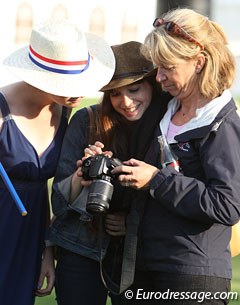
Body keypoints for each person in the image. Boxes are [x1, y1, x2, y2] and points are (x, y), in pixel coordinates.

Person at [110, 8, 240, 305]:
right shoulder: (164, 111)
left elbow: (227, 205)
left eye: (167, 67)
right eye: (158, 67)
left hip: (193, 275)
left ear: (199, 62)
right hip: (144, 267)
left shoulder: (223, 124)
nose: (159, 77)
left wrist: (156, 180)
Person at [0, 18, 115, 305]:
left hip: (29, 234)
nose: (78, 92)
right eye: (67, 83)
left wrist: (47, 251)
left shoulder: (63, 113)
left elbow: (44, 190)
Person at [49, 40, 172, 305]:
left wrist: (133, 223)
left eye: (134, 89)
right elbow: (59, 204)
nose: (125, 102)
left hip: (138, 254)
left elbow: (173, 190)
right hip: (81, 246)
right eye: (115, 94)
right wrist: (81, 177)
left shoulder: (168, 125)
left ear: (153, 83)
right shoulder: (87, 120)